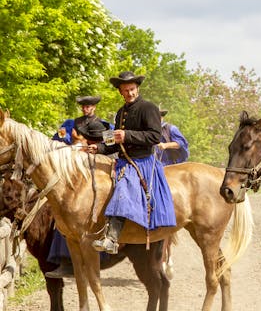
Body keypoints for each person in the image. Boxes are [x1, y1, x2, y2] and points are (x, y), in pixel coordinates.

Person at [87, 71, 176, 254]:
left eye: (132, 89)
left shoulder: (148, 108)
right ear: (120, 92)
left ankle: (111, 238)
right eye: (126, 90)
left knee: (123, 188)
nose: (130, 93)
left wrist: (127, 135)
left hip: (142, 162)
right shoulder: (121, 112)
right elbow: (114, 142)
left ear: (137, 88)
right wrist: (99, 148)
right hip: (123, 161)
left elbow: (154, 136)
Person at [46, 95, 112, 278]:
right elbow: (56, 144)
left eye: (89, 106)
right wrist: (75, 144)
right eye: (84, 106)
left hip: (98, 168)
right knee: (63, 213)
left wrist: (94, 146)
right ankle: (64, 260)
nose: (86, 109)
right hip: (74, 171)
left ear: (95, 107)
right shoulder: (70, 124)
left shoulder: (106, 126)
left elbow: (112, 146)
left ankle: (105, 252)